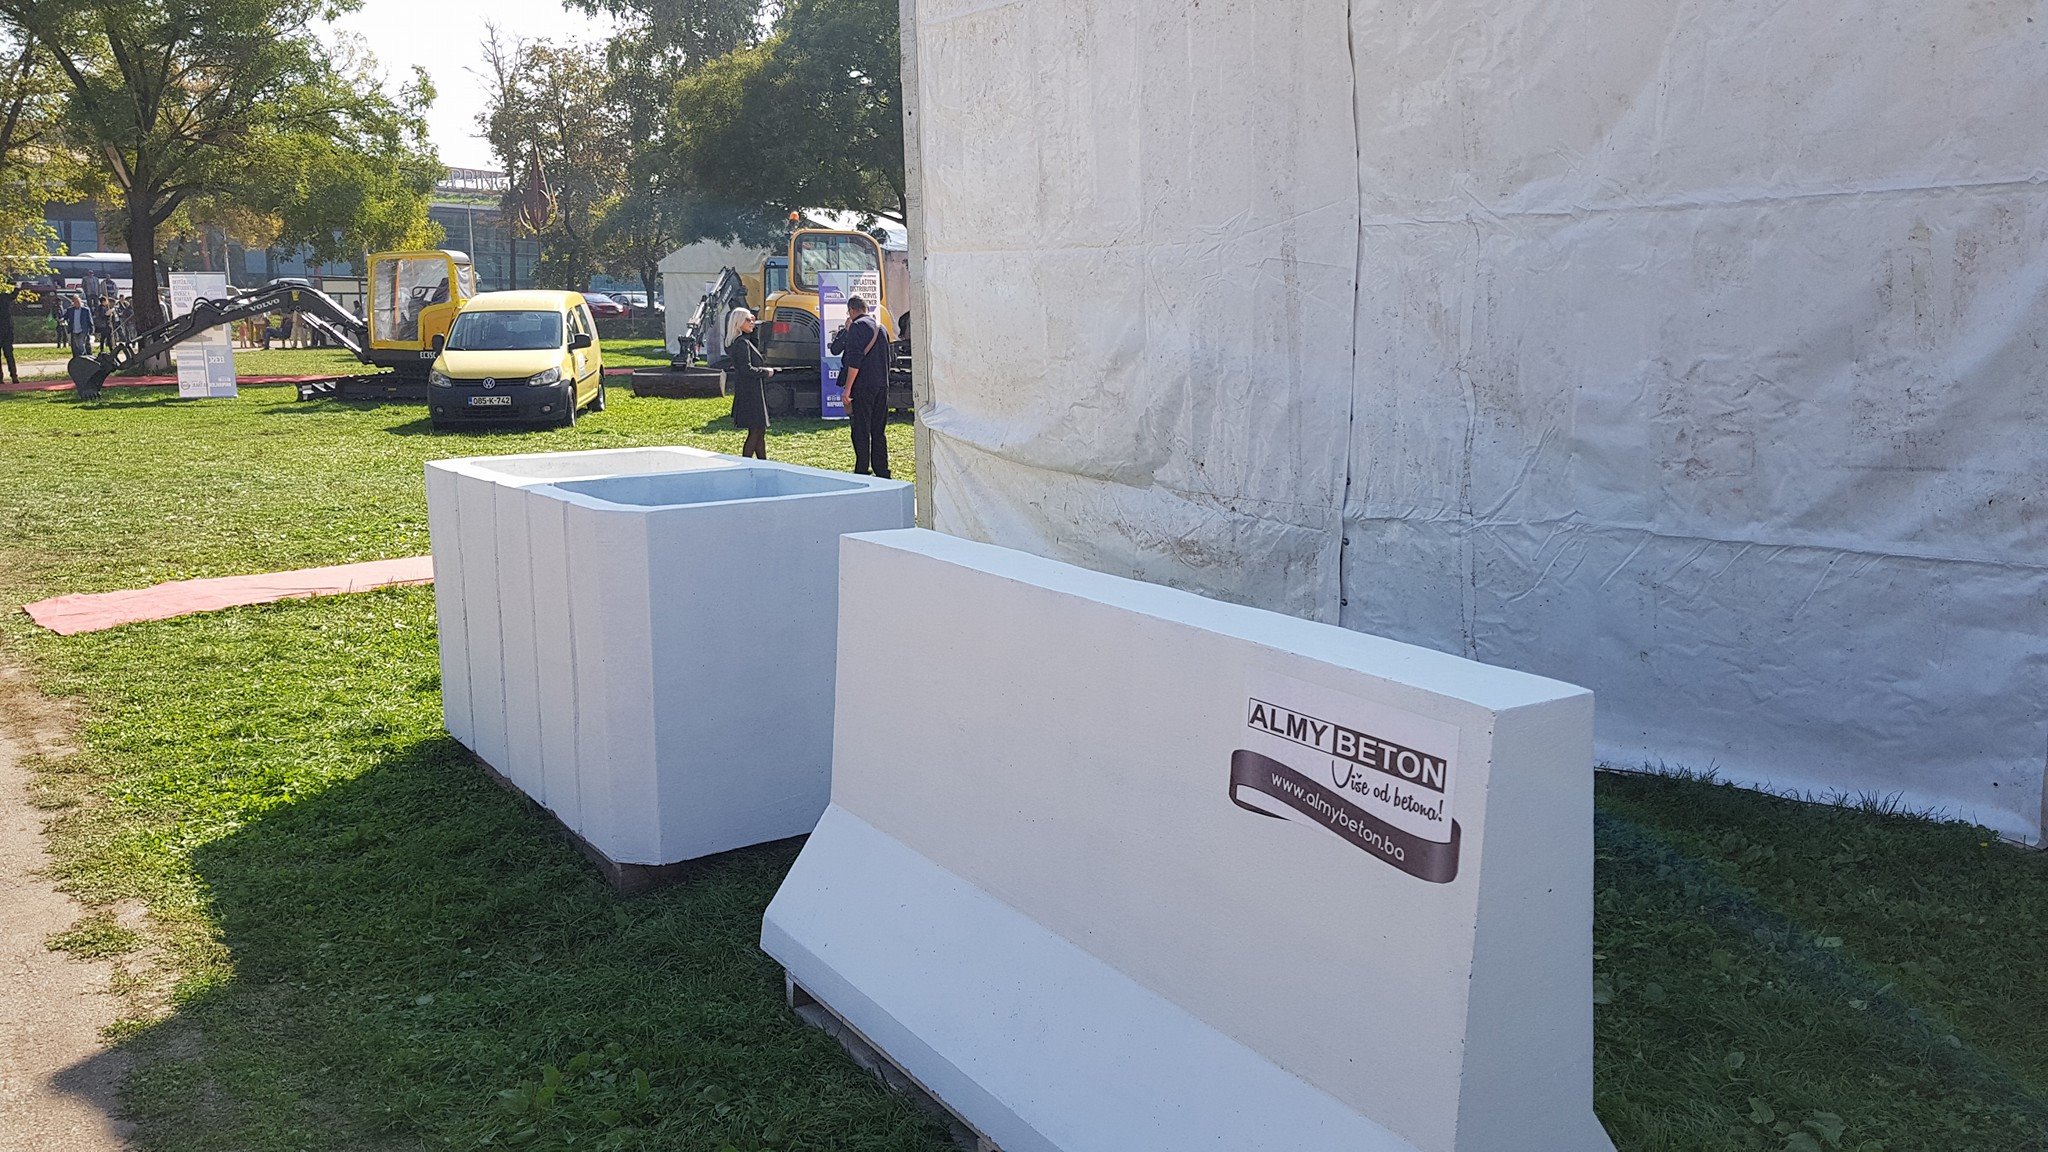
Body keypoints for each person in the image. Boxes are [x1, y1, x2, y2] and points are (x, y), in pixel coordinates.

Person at [829, 295, 892, 478]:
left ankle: (862, 468)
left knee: (860, 429)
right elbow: (889, 358)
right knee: (878, 430)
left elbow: (854, 360)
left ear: (852, 310)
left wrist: (847, 388)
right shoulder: (881, 328)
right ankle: (882, 469)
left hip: (863, 386)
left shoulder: (857, 327)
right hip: (881, 385)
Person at [724, 307, 776, 459]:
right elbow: (746, 369)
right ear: (738, 322)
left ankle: (763, 463)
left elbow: (755, 343)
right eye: (748, 320)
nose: (752, 322)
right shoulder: (741, 343)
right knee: (755, 430)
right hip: (749, 391)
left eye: (752, 319)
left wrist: (753, 325)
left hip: (752, 389)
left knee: (760, 430)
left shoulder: (744, 341)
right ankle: (747, 462)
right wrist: (765, 371)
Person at [0, 278, 19, 385]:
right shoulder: (6, 297)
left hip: (4, 330)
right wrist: (17, 287)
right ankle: (14, 376)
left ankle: (0, 378)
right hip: (7, 330)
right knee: (9, 355)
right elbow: (14, 295)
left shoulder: (5, 297)